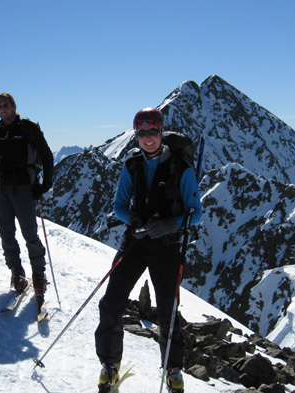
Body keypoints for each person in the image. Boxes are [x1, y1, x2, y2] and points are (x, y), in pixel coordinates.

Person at [94, 108, 202, 393]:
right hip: (135, 243)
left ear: (161, 132)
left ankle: (173, 368)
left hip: (167, 248)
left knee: (168, 310)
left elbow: (196, 213)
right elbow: (119, 205)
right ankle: (109, 364)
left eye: (152, 131)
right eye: (141, 133)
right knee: (111, 302)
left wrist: (168, 225)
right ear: (136, 135)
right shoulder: (132, 165)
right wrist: (135, 220)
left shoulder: (181, 167)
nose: (147, 138)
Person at [0, 92, 53, 301]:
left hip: (24, 187)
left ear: (14, 106)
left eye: (5, 105)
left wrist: (45, 184)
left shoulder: (28, 128)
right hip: (4, 188)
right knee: (6, 233)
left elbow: (46, 155)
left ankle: (38, 275)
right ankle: (17, 272)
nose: (2, 109)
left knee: (29, 234)